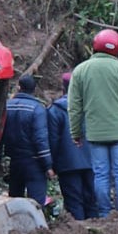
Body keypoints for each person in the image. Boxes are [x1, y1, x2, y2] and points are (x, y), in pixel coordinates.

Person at [66, 30, 118, 219]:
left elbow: (74, 107)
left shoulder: (81, 71)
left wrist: (75, 132)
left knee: (101, 174)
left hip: (96, 134)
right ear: (117, 48)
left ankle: (104, 213)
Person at [0, 74, 54, 206]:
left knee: (15, 202)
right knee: (35, 204)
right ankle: (36, 227)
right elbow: (40, 139)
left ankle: (15, 226)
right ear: (34, 89)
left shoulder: (7, 106)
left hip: (15, 162)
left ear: (19, 87)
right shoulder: (37, 109)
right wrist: (48, 165)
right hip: (34, 163)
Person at [47, 75, 97, 219]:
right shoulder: (92, 106)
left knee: (74, 201)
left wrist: (52, 163)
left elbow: (53, 139)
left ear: (63, 87)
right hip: (92, 160)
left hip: (67, 162)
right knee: (92, 200)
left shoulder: (55, 110)